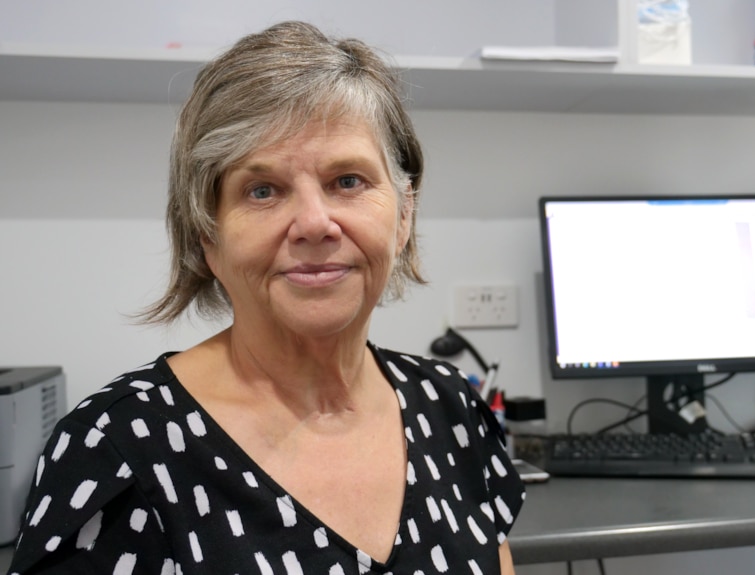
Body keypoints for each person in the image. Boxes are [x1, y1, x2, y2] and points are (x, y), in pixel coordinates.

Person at [7, 20, 524, 575]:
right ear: (208, 236)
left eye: (347, 180)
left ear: (404, 216)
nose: (314, 223)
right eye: (262, 190)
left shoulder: (451, 408)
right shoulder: (117, 451)